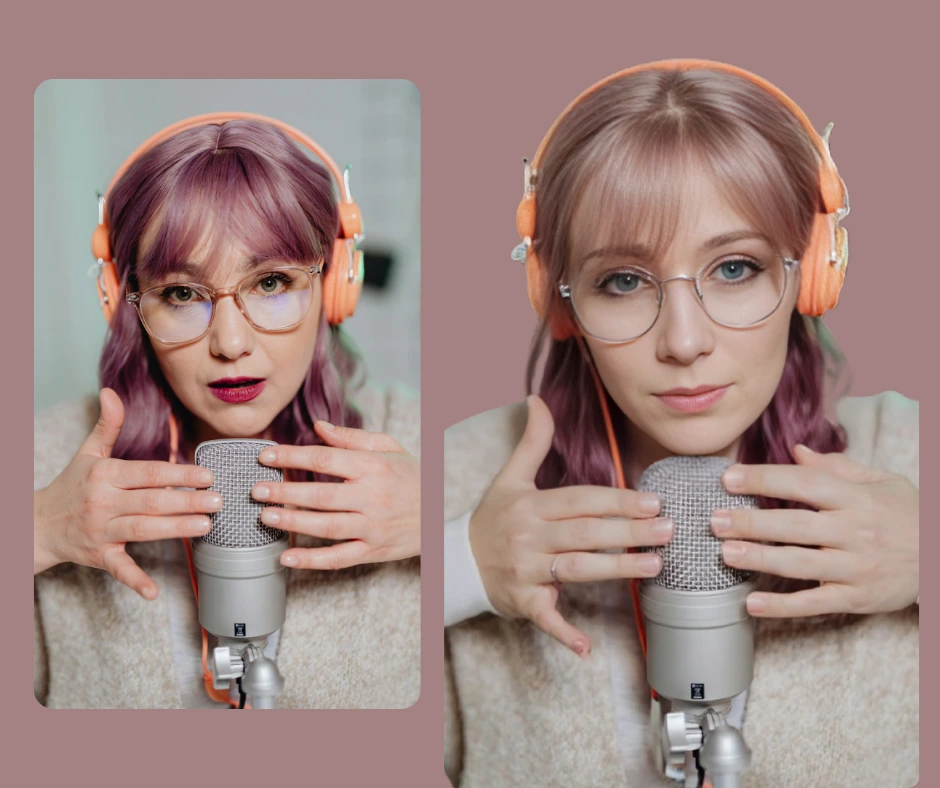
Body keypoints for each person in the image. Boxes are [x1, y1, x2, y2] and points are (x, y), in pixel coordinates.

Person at [443, 61, 918, 786]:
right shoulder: (462, 475)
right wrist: (464, 567)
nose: (685, 342)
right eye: (624, 281)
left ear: (814, 274)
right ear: (560, 299)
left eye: (734, 268)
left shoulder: (910, 454)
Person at [33, 115, 420, 709]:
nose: (231, 343)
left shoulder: (420, 446)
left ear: (337, 286)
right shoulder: (49, 458)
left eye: (270, 282)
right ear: (125, 302)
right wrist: (37, 532)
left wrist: (438, 530)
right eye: (182, 294)